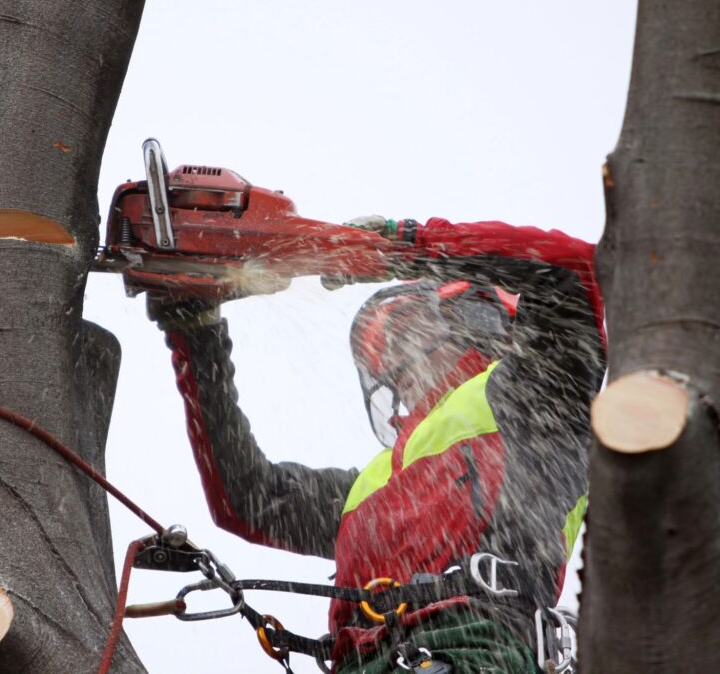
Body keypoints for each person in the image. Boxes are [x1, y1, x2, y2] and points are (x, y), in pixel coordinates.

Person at [149, 216, 606, 673]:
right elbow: (247, 499)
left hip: (474, 646)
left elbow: (572, 270)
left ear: (478, 319)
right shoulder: (373, 481)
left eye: (404, 338)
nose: (392, 367)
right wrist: (197, 329)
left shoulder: (538, 397)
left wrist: (400, 246)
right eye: (383, 359)